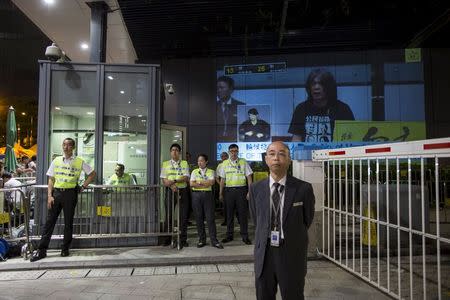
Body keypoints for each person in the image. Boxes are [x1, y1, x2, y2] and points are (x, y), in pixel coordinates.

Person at [249, 141, 315, 300]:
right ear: (266, 159)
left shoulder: (303, 189)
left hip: (291, 252)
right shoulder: (255, 188)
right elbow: (256, 219)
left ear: (289, 160)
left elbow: (307, 219)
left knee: (293, 295)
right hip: (264, 253)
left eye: (281, 154)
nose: (276, 158)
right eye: (272, 154)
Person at [30, 137, 96, 262]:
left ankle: (65, 249)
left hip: (71, 193)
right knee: (50, 223)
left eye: (69, 145)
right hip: (57, 193)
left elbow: (92, 174)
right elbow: (51, 179)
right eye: (64, 145)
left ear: (73, 147)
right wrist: (50, 195)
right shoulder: (56, 160)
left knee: (68, 223)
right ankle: (41, 250)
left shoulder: (79, 161)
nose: (66, 147)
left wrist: (83, 186)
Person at [288, 69, 354, 142]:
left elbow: (350, 138)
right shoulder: (301, 109)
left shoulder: (343, 109)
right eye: (313, 84)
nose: (316, 87)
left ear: (329, 87)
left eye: (321, 84)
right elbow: (296, 138)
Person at [219, 144, 253, 245]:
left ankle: (245, 236)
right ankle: (229, 235)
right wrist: (220, 193)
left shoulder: (243, 162)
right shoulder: (224, 163)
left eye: (235, 151)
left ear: (238, 152)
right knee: (229, 214)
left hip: (241, 191)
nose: (234, 153)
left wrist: (249, 191)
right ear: (229, 152)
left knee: (242, 214)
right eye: (232, 151)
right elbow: (222, 179)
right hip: (229, 191)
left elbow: (249, 177)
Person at [190, 154, 223, 249]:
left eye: (201, 161)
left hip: (208, 196)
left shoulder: (211, 171)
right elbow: (192, 184)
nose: (199, 163)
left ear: (206, 161)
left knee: (210, 219)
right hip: (196, 196)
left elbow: (211, 182)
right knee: (199, 218)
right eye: (198, 161)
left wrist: (199, 182)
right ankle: (201, 240)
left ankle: (214, 240)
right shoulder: (194, 171)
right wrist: (204, 183)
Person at [160, 143, 190, 248]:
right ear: (170, 152)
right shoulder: (165, 164)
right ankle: (167, 238)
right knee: (168, 215)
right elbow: (164, 180)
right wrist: (172, 185)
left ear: (179, 152)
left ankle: (182, 239)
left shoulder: (184, 163)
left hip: (183, 191)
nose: (174, 152)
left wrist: (174, 181)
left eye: (177, 150)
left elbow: (186, 177)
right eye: (173, 150)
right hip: (170, 191)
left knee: (183, 216)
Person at [216, 76, 245, 142]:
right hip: (215, 143)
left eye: (222, 88)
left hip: (234, 143)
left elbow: (244, 128)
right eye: (217, 88)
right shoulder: (211, 107)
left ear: (231, 90)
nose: (219, 90)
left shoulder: (241, 106)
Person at [216, 151, 229, 226]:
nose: (224, 158)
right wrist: (221, 184)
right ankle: (226, 220)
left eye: (225, 156)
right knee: (225, 205)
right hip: (224, 187)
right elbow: (217, 177)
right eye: (222, 156)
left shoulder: (230, 164)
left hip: (231, 186)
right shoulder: (220, 166)